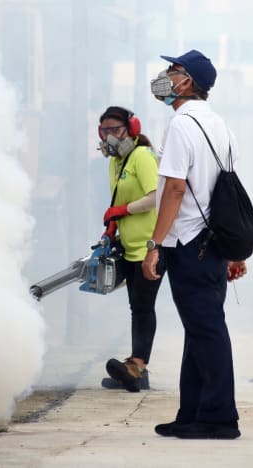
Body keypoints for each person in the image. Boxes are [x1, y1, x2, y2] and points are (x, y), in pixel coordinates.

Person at [141, 50, 248, 439]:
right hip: (212, 243)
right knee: (198, 330)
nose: (165, 76)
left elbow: (173, 188)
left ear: (188, 82)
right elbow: (227, 191)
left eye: (172, 71)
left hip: (189, 242)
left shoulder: (182, 126)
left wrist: (154, 243)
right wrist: (233, 251)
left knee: (207, 330)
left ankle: (220, 418)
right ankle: (193, 413)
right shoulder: (220, 125)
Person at [97, 106, 163, 393]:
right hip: (129, 245)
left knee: (143, 306)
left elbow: (155, 197)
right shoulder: (115, 162)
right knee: (135, 305)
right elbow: (118, 201)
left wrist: (123, 209)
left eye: (115, 130)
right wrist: (113, 223)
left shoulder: (142, 157)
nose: (110, 137)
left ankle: (137, 366)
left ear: (131, 129)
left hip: (150, 247)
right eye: (105, 131)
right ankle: (137, 368)